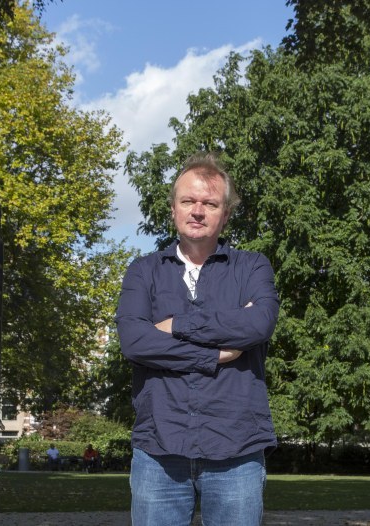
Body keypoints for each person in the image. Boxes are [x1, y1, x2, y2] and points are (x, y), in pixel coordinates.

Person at [115, 152, 280, 526]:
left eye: (210, 203)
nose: (198, 211)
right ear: (173, 208)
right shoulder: (144, 271)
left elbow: (258, 325)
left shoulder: (253, 266)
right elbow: (134, 341)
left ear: (225, 213)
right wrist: (212, 354)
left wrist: (172, 325)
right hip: (159, 447)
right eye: (188, 201)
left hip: (235, 447)